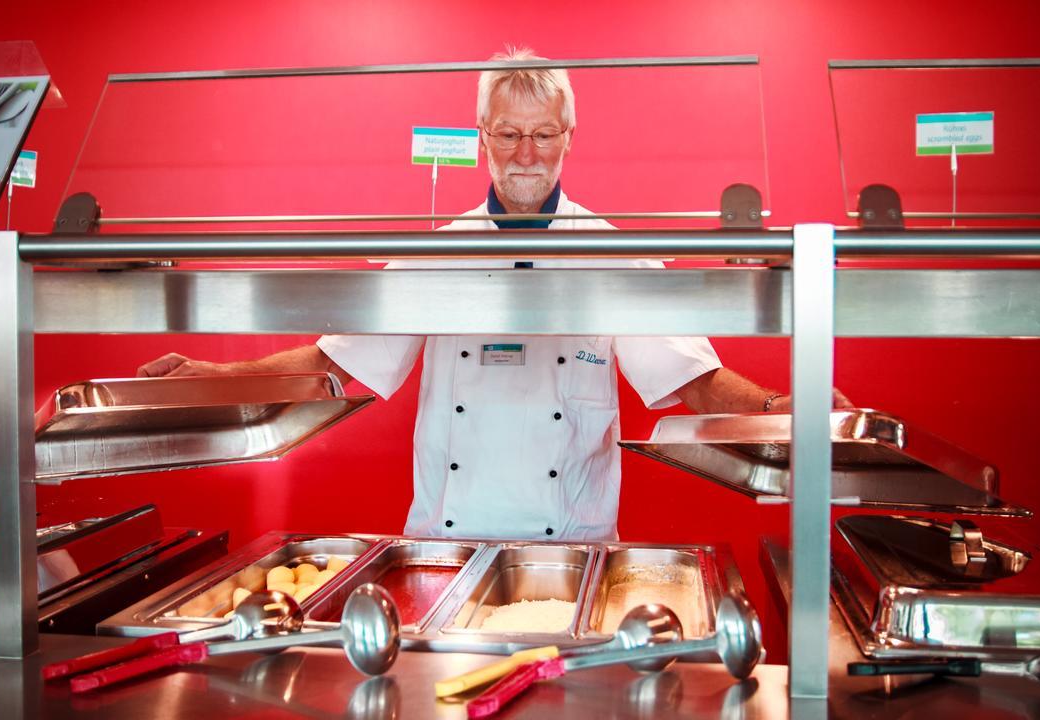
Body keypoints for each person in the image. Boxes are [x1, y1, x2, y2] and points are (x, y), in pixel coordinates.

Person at [139, 47, 850, 541]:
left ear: (570, 137)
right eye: (508, 134)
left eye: (543, 134)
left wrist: (779, 408)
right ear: (482, 136)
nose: (526, 154)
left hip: (573, 542)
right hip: (448, 540)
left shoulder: (613, 249)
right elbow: (341, 362)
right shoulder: (437, 249)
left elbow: (693, 382)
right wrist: (217, 376)